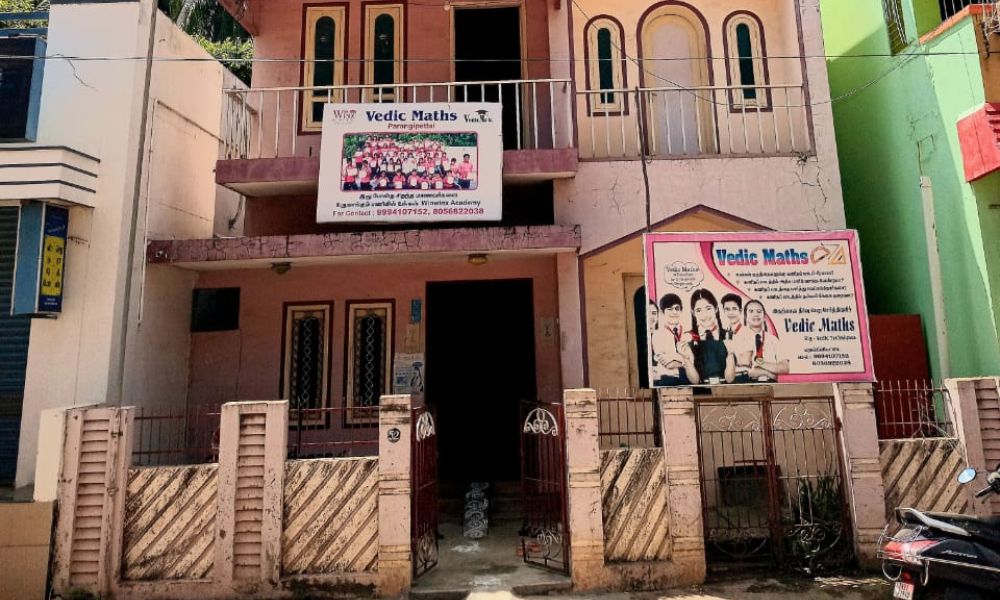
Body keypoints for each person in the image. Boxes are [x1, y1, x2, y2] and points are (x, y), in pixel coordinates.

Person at [680, 288, 735, 385]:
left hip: (725, 389)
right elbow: (694, 381)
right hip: (702, 390)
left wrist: (730, 354)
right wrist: (686, 358)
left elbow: (730, 379)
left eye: (708, 308)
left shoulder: (728, 335)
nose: (704, 315)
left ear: (716, 309)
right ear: (693, 313)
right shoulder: (688, 337)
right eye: (698, 310)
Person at [732, 299, 789, 383]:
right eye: (751, 311)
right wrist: (767, 372)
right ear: (745, 317)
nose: (755, 314)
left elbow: (785, 368)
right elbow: (737, 370)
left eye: (759, 311)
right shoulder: (738, 339)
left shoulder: (773, 340)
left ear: (764, 317)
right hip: (746, 384)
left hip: (770, 384)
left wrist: (761, 363)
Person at [651, 294, 694, 386]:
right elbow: (668, 364)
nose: (674, 312)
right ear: (662, 312)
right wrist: (686, 361)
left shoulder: (688, 333)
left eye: (677, 308)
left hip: (689, 378)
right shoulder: (657, 335)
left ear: (681, 311)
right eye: (670, 309)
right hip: (668, 379)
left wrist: (672, 357)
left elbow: (694, 361)